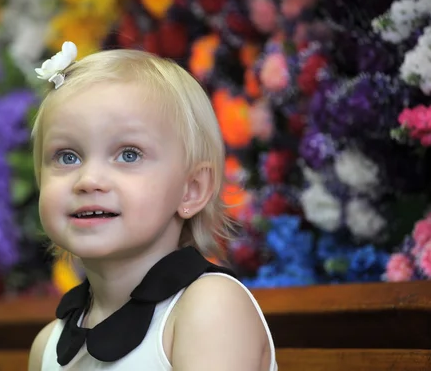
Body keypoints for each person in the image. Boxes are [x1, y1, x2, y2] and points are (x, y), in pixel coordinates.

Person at [28, 41, 277, 371]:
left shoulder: (208, 307)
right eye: (67, 156)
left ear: (191, 190)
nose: (88, 180)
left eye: (129, 154)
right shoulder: (49, 345)